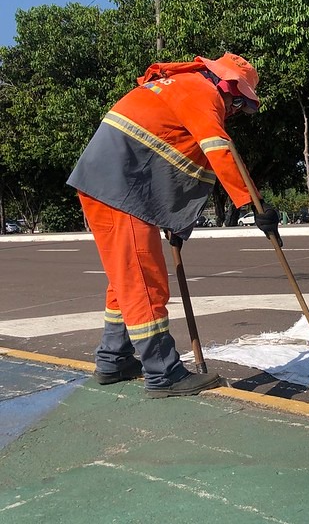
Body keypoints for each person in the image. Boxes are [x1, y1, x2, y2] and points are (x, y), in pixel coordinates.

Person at [68, 52, 269, 398]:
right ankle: (164, 373)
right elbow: (218, 150)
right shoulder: (202, 94)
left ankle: (113, 359)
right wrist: (254, 204)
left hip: (108, 184)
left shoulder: (176, 86)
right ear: (229, 87)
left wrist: (177, 218)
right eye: (241, 104)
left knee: (125, 279)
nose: (236, 112)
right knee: (145, 283)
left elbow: (172, 156)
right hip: (120, 189)